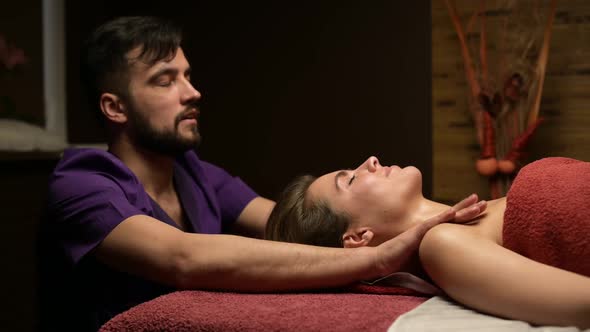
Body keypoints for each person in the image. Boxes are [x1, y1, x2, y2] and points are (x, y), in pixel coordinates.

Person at [36, 16, 485, 331]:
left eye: (188, 75)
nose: (192, 92)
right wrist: (371, 260)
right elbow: (183, 259)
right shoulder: (80, 185)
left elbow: (303, 226)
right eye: (164, 79)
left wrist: (408, 226)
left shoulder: (196, 175)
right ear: (114, 107)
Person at [265, 155, 590, 329]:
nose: (371, 161)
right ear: (357, 237)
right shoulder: (442, 246)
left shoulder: (481, 214)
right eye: (350, 179)